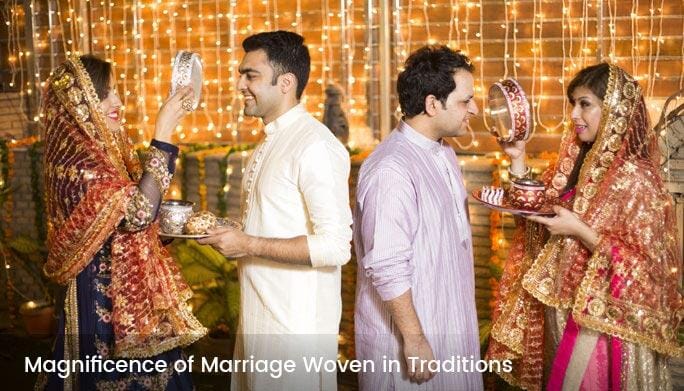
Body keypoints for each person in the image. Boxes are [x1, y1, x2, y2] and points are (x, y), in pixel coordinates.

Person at [487, 63, 682, 390]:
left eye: (585, 104)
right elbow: (540, 209)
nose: (575, 114)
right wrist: (517, 158)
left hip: (602, 328)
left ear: (615, 109)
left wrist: (579, 230)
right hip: (563, 316)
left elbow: (651, 275)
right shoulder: (576, 164)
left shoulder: (638, 181)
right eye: (573, 104)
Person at [39, 54, 206, 390]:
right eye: (103, 95)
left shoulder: (105, 154)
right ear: (79, 106)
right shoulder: (79, 167)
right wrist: (164, 133)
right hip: (101, 298)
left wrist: (165, 229)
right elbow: (139, 213)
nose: (117, 102)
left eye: (115, 91)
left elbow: (134, 216)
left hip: (125, 289)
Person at [197, 31, 353, 390]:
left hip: (294, 337)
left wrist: (247, 243)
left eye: (250, 75)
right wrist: (226, 231)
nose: (239, 85)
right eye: (241, 74)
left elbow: (335, 247)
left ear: (286, 83)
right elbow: (270, 223)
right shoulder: (268, 142)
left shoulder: (315, 145)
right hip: (256, 329)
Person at [353, 45, 483, 390]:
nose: (474, 108)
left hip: (448, 322)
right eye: (464, 100)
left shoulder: (442, 151)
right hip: (410, 344)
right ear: (431, 104)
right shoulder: (391, 170)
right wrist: (415, 339)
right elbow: (387, 264)